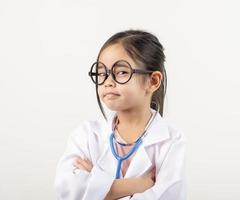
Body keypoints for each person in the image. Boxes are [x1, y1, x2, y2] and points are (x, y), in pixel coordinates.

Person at [54, 29, 186, 200]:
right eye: (102, 73)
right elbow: (67, 190)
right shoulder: (86, 135)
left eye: (121, 72)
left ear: (152, 81)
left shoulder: (172, 141)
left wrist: (94, 185)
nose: (108, 82)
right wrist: (133, 186)